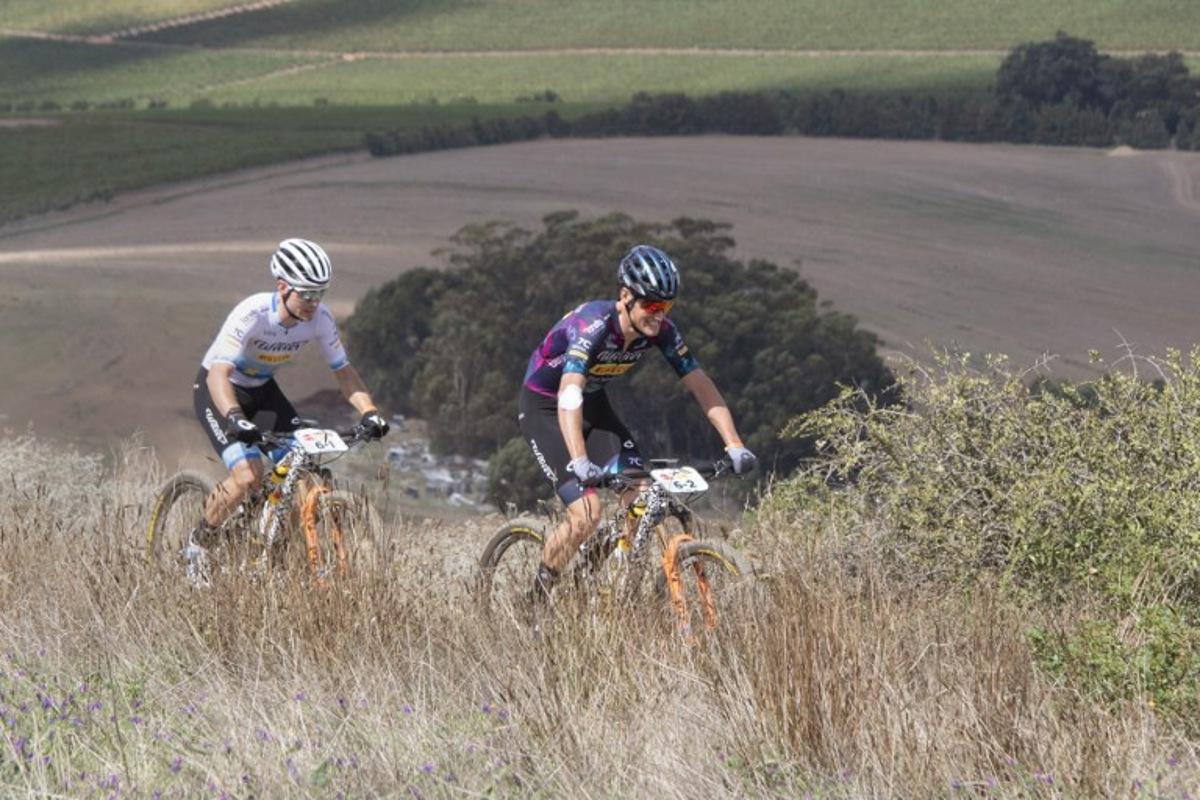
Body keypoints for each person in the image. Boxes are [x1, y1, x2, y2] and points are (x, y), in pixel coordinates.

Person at [519, 243, 756, 602]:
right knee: (587, 515)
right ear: (626, 296)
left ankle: (605, 588)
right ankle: (534, 601)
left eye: (667, 306)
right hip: (548, 407)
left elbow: (700, 384)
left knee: (643, 500)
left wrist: (734, 444)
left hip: (592, 403)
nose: (659, 315)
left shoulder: (661, 331)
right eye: (652, 305)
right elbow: (569, 392)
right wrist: (580, 460)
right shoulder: (593, 326)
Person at [190, 238, 389, 558]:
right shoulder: (252, 313)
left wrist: (369, 412)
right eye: (307, 293)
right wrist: (234, 417)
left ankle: (275, 549)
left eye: (320, 293)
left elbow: (344, 372)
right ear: (282, 287)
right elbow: (217, 374)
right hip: (221, 391)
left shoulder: (320, 320)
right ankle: (196, 549)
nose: (314, 302)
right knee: (247, 475)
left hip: (263, 391)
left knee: (305, 471)